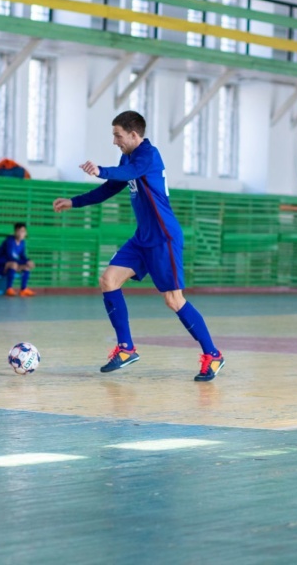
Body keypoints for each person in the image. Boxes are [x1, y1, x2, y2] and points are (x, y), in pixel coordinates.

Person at [52, 111, 225, 381]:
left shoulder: (148, 155)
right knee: (108, 280)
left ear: (134, 135)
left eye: (118, 135)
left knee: (173, 300)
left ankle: (212, 355)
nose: (114, 141)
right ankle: (126, 349)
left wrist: (101, 170)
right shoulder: (128, 157)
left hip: (163, 238)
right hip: (142, 238)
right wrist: (74, 202)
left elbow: (130, 172)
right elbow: (110, 188)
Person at [0, 223, 35, 297]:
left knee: (26, 267)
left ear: (26, 233)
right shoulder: (9, 241)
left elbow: (22, 256)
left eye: (23, 231)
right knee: (13, 264)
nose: (21, 233)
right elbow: (10, 257)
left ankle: (23, 289)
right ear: (15, 232)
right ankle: (9, 289)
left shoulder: (22, 243)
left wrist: (28, 261)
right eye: (19, 231)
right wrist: (25, 262)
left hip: (8, 265)